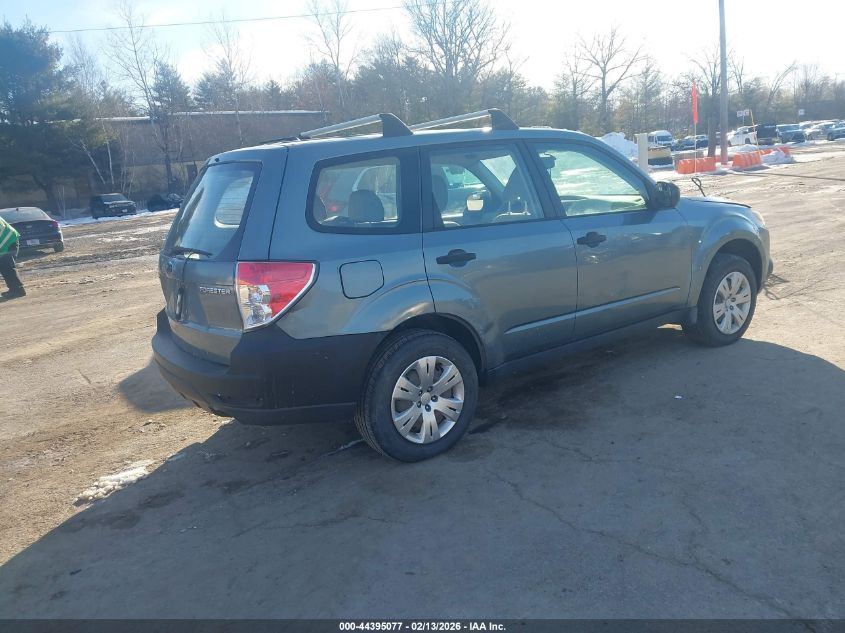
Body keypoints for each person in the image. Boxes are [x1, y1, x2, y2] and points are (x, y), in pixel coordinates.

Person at [0, 214, 26, 299]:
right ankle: (14, 289)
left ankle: (19, 290)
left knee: (7, 267)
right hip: (7, 242)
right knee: (4, 267)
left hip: (8, 242)